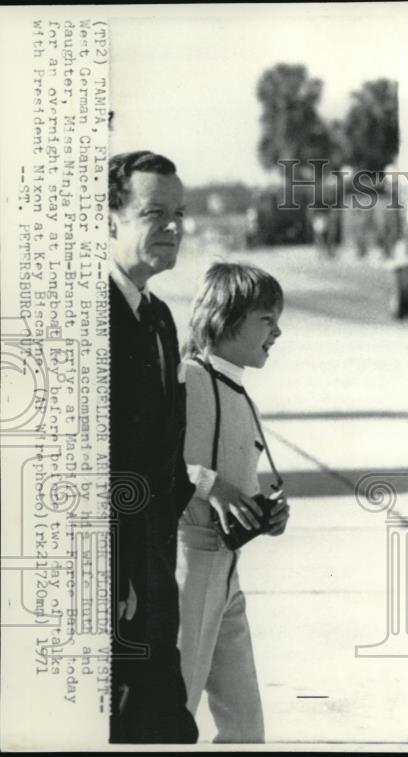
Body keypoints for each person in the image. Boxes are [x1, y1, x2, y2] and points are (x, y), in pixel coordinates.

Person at [176, 263, 291, 742]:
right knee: (174, 708)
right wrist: (212, 486)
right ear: (226, 320)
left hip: (226, 571)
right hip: (192, 565)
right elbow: (151, 458)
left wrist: (265, 510)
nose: (278, 331)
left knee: (245, 727)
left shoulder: (238, 390)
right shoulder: (189, 378)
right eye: (267, 320)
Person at [108, 151, 199, 743]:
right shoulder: (83, 318)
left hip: (155, 582)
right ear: (108, 219)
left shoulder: (160, 317)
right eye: (153, 213)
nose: (172, 227)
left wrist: (217, 498)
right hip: (111, 590)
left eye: (179, 214)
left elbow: (163, 456)